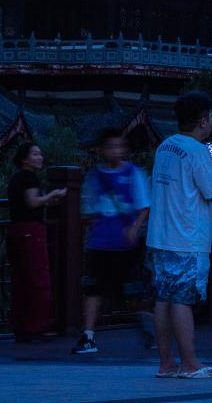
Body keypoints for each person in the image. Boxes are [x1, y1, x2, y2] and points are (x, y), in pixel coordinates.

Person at [147, 91, 212, 379]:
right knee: (181, 300)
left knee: (163, 299)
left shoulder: (164, 146)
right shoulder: (197, 151)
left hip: (160, 234)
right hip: (187, 236)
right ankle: (190, 362)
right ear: (203, 120)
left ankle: (166, 363)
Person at [72, 127, 149, 355]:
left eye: (119, 146)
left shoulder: (133, 173)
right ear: (103, 149)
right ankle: (88, 336)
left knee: (132, 291)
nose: (116, 151)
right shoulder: (95, 176)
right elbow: (88, 209)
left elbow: (144, 206)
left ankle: (146, 326)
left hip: (125, 243)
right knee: (93, 289)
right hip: (100, 242)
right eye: (111, 146)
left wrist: (134, 228)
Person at [7, 142, 66, 342]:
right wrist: (52, 195)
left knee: (20, 279)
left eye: (40, 154)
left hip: (16, 230)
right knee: (37, 279)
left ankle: (21, 327)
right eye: (35, 154)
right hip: (30, 231)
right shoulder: (28, 177)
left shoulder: (16, 178)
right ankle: (35, 327)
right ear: (24, 159)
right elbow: (32, 202)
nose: (39, 157)